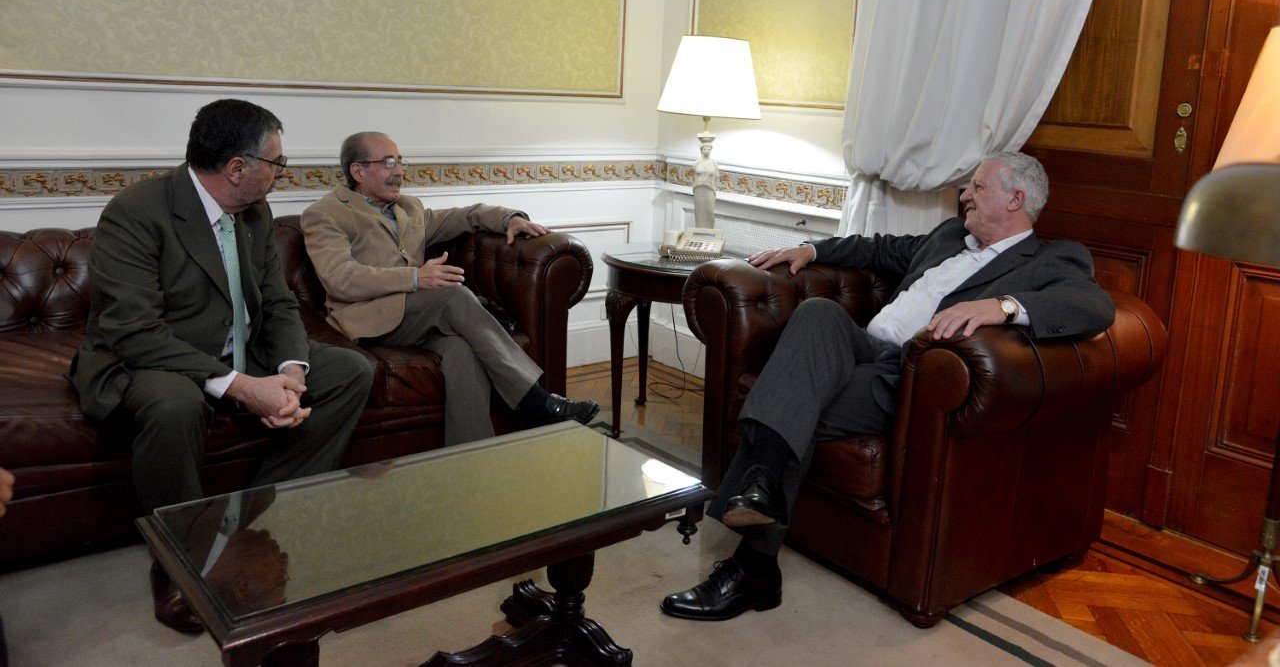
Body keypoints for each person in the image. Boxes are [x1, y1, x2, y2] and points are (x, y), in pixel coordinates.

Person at [660, 151, 1115, 621]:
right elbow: (877, 248)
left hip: (907, 374)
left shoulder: (1050, 259)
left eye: (977, 187)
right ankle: (759, 494)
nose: (964, 196)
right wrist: (812, 250)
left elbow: (1092, 305)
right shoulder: (948, 237)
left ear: (1017, 198)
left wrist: (1002, 307)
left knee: (798, 401)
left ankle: (753, 562)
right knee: (818, 312)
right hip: (859, 347)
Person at [71, 99, 374, 634]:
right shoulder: (136, 211)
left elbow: (278, 304)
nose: (283, 173)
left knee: (352, 371)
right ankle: (176, 567)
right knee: (173, 405)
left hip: (244, 346)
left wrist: (293, 374)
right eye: (277, 163)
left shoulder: (252, 213)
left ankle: (250, 521)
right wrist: (243, 387)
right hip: (154, 354)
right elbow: (134, 330)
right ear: (238, 167)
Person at [300, 132, 598, 446]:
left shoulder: (408, 208)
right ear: (358, 172)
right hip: (369, 319)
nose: (399, 171)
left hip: (416, 318)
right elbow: (340, 277)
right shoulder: (325, 214)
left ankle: (469, 458)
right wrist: (416, 278)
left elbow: (462, 217)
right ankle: (535, 400)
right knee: (452, 296)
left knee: (461, 350)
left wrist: (508, 218)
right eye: (389, 163)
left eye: (400, 162)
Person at [692, 137, 717, 228]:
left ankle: (709, 231)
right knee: (699, 211)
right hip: (699, 189)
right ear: (701, 150)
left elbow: (716, 177)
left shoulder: (714, 163)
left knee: (709, 211)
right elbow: (694, 176)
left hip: (710, 190)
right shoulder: (697, 163)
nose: (707, 151)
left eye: (709, 149)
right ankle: (699, 230)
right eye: (705, 148)